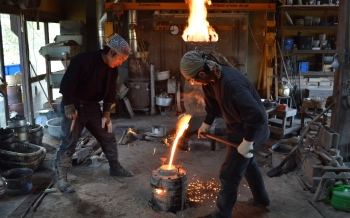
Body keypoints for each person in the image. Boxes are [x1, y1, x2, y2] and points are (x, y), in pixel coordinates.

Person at [180, 50, 270, 218]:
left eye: (194, 79)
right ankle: (262, 200)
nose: (194, 82)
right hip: (237, 126)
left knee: (229, 174)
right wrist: (206, 123)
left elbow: (255, 115)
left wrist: (248, 141)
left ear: (202, 72)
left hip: (252, 128)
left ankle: (221, 216)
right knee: (248, 165)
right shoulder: (210, 80)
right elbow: (213, 104)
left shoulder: (231, 84)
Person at [54, 33, 134, 193]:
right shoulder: (83, 61)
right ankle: (62, 178)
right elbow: (67, 83)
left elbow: (111, 91)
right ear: (111, 51)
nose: (120, 62)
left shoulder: (112, 70)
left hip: (92, 107)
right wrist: (68, 105)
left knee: (107, 136)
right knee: (69, 141)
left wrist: (106, 114)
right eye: (120, 58)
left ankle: (115, 167)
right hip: (74, 106)